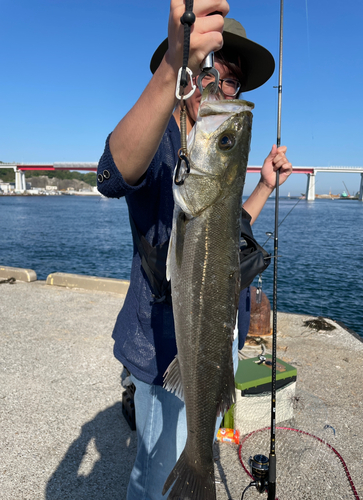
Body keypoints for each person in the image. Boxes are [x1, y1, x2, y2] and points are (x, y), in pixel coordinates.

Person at [97, 2, 292, 499]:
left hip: (217, 333)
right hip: (164, 345)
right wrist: (171, 67)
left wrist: (264, 186)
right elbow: (112, 174)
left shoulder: (207, 153)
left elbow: (221, 232)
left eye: (231, 81)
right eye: (209, 67)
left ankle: (197, 465)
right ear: (186, 72)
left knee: (192, 443)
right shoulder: (162, 138)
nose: (219, 85)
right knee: (155, 473)